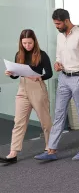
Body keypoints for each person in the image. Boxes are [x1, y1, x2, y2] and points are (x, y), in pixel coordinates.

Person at [34, 9, 79, 161]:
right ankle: (51, 151)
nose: (57, 26)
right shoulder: (60, 36)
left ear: (67, 20)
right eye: (55, 23)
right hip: (63, 78)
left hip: (78, 78)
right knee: (59, 114)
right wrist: (57, 63)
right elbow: (59, 55)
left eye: (58, 23)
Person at [0, 29, 53, 164]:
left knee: (45, 120)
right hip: (22, 88)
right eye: (24, 43)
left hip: (37, 87)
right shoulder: (19, 54)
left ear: (34, 41)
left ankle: (50, 148)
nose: (27, 46)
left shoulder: (42, 55)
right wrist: (11, 73)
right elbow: (16, 74)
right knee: (19, 121)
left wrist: (39, 77)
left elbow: (49, 73)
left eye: (29, 43)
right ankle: (13, 153)